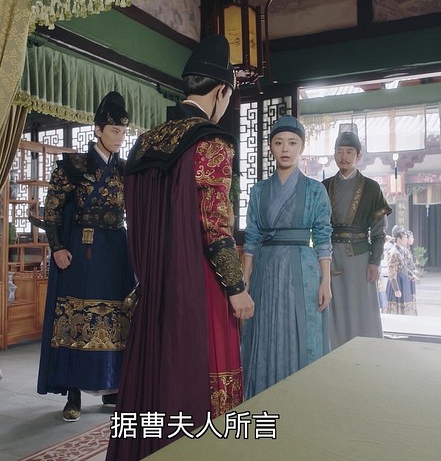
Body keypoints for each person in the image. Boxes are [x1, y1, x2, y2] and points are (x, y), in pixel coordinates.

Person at [106, 35, 254, 461]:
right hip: (199, 285)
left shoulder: (144, 144)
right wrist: (237, 287)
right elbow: (215, 225)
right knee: (203, 381)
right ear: (221, 91)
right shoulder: (211, 142)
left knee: (154, 384)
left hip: (153, 284)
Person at [36, 91, 135, 422]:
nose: (119, 137)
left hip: (117, 249)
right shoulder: (72, 166)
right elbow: (51, 211)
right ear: (97, 129)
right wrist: (57, 247)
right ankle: (73, 392)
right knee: (77, 315)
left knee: (117, 316)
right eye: (114, 131)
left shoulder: (126, 170)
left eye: (123, 132)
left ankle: (112, 385)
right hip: (83, 249)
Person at [241, 116, 333, 399]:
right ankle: (262, 397)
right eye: (279, 142)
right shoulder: (259, 190)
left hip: (302, 269)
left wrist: (325, 281)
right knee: (264, 330)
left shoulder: (315, 190)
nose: (285, 149)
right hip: (266, 269)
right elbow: (252, 236)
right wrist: (245, 279)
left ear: (301, 147)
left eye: (292, 143)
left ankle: (302, 397)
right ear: (270, 147)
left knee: (301, 330)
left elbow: (322, 236)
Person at [322, 129, 392, 350]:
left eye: (349, 152)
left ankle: (365, 351)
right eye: (339, 151)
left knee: (361, 307)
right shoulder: (324, 187)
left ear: (358, 156)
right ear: (334, 154)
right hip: (330, 256)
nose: (343, 156)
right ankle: (333, 351)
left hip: (360, 259)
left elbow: (379, 230)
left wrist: (375, 261)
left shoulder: (371, 187)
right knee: (332, 306)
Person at [384, 226, 418, 315]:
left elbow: (404, 267)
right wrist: (396, 289)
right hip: (397, 281)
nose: (406, 239)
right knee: (395, 308)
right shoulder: (394, 252)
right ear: (399, 239)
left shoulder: (404, 250)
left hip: (404, 280)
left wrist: (411, 275)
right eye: (405, 237)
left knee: (406, 308)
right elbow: (392, 273)